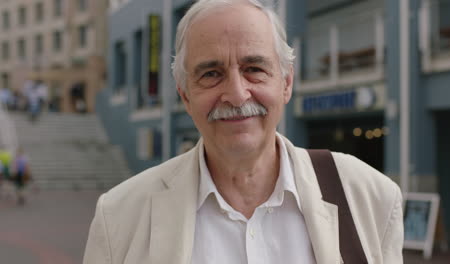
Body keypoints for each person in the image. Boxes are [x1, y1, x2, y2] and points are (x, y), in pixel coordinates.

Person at [83, 0, 403, 263]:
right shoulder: (119, 218)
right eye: (211, 73)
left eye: (254, 69)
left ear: (286, 83)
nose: (237, 94)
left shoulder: (370, 198)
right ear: (185, 95)